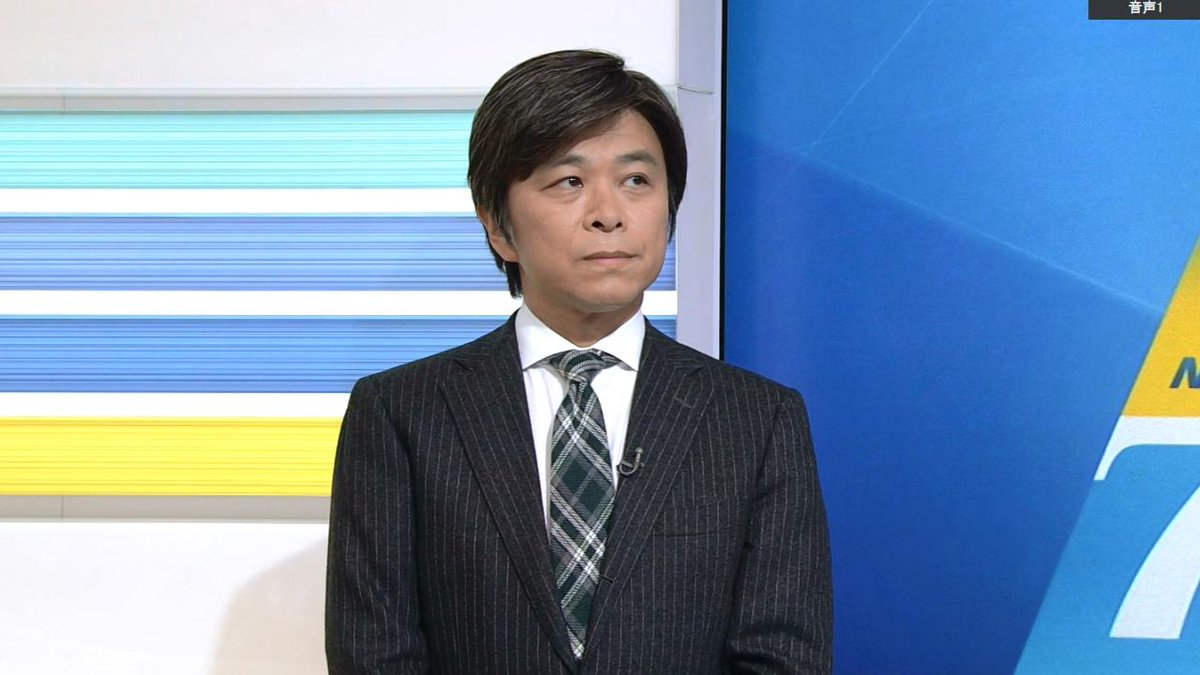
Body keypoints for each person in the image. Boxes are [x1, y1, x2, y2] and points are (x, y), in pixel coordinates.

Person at [325, 49, 832, 674]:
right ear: (498, 225)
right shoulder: (401, 412)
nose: (608, 214)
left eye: (636, 180)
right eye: (569, 181)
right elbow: (374, 656)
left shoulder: (756, 418)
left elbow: (783, 657)